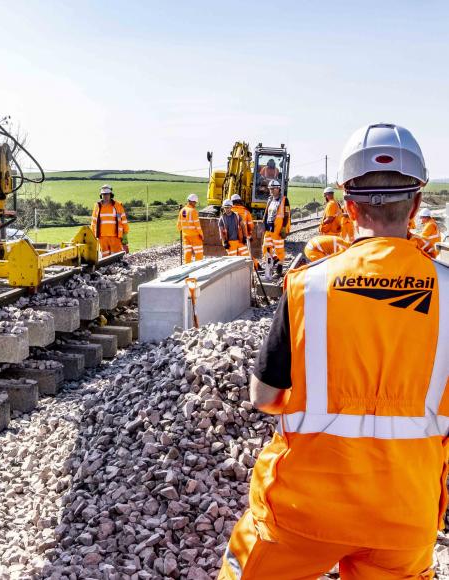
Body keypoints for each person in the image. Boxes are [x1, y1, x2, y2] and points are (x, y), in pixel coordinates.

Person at [220, 123, 448, 580]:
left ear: (347, 204)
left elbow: (264, 397)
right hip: (405, 513)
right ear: (418, 203)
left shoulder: (308, 285)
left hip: (304, 509)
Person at [90, 184, 129, 257]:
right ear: (101, 195)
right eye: (103, 194)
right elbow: (93, 222)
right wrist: (92, 235)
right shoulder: (97, 206)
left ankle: (118, 268)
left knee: (116, 256)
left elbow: (123, 220)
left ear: (111, 194)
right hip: (102, 237)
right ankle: (108, 269)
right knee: (105, 257)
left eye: (107, 194)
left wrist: (125, 234)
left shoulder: (118, 205)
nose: (105, 196)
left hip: (115, 236)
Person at [262, 179, 290, 276]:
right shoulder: (270, 199)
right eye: (270, 189)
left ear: (278, 189)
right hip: (269, 228)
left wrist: (283, 228)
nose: (271, 190)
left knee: (279, 248)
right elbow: (266, 213)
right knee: (266, 248)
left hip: (278, 228)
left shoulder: (284, 200)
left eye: (273, 189)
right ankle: (273, 262)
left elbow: (286, 215)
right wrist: (264, 224)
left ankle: (279, 266)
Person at [177, 193, 204, 263]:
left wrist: (183, 231)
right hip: (195, 236)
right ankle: (198, 269)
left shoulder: (182, 210)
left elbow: (179, 225)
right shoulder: (193, 211)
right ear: (192, 201)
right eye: (195, 202)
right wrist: (201, 234)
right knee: (199, 254)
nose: (195, 204)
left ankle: (187, 270)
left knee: (187, 254)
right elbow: (197, 225)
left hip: (185, 236)